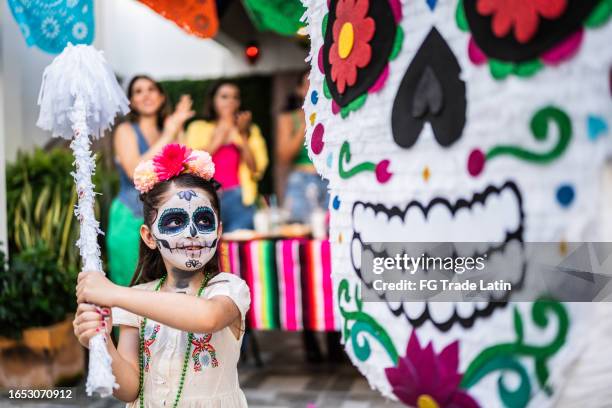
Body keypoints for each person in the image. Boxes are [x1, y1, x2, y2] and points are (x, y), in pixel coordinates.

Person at [73, 144, 251, 407]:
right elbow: (129, 390)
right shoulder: (137, 299)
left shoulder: (228, 290)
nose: (192, 231)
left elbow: (207, 317)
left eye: (204, 221)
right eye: (175, 221)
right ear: (149, 236)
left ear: (219, 230)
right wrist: (102, 343)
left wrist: (114, 293)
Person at [107, 75, 195, 287]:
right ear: (132, 101)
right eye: (138, 91)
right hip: (130, 219)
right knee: (131, 286)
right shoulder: (125, 131)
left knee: (163, 286)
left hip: (163, 220)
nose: (146, 95)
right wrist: (168, 134)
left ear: (162, 96)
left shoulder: (168, 128)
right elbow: (134, 172)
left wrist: (178, 129)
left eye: (151, 89)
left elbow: (185, 169)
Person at [183, 81, 268, 232]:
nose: (230, 101)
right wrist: (219, 137)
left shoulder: (250, 130)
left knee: (238, 251)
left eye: (235, 97)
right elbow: (191, 166)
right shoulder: (198, 127)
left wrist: (242, 136)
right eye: (224, 96)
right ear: (213, 100)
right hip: (205, 198)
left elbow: (256, 169)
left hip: (239, 199)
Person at [276, 71, 328, 223]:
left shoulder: (332, 116)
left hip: (330, 179)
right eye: (309, 83)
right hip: (302, 179)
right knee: (300, 229)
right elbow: (284, 158)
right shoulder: (289, 118)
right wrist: (306, 123)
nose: (314, 88)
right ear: (299, 90)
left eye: (318, 83)